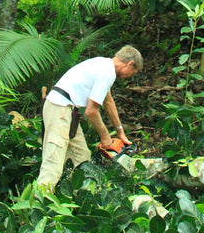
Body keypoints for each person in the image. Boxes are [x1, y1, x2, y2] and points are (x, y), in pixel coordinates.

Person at [35, 45, 143, 193]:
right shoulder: (107, 73)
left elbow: (108, 102)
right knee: (53, 164)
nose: (130, 76)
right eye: (133, 72)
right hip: (59, 109)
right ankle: (36, 209)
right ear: (130, 64)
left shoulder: (103, 64)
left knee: (82, 157)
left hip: (67, 111)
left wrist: (120, 132)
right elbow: (91, 112)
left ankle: (78, 197)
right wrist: (105, 138)